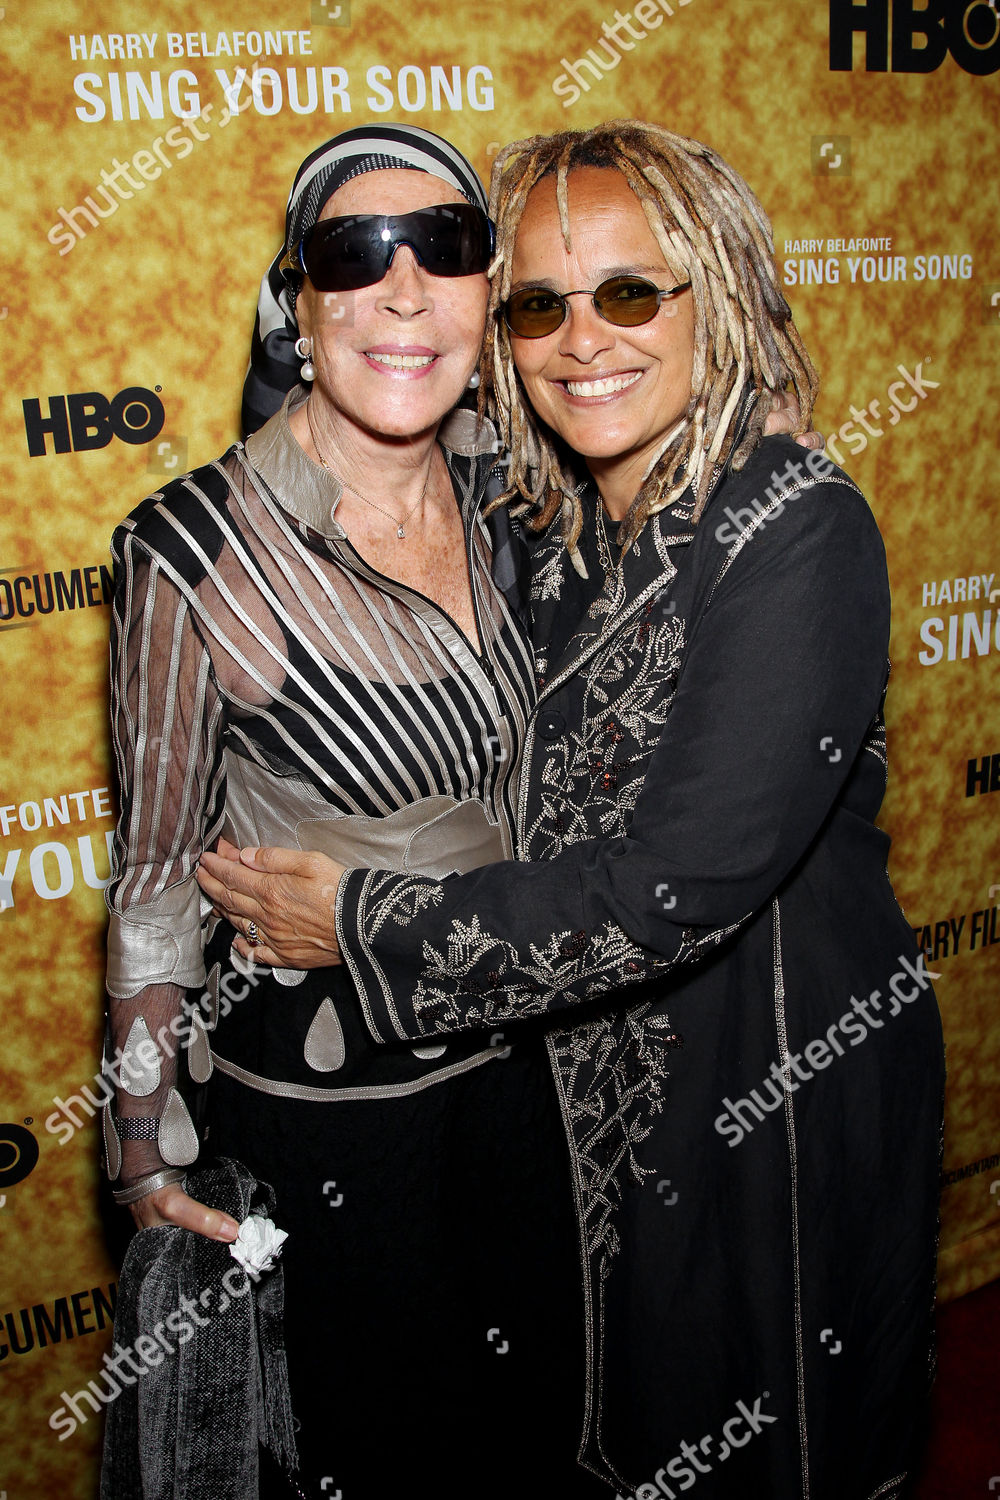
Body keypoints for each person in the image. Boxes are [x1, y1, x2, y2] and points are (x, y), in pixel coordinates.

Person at [198, 121, 945, 1500]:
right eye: (537, 305)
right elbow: (331, 446)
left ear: (717, 292)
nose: (582, 340)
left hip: (764, 1078)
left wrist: (362, 922)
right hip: (577, 1086)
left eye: (631, 292)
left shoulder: (797, 527)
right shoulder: (545, 520)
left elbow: (678, 886)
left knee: (754, 1431)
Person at [102, 123, 612, 1498]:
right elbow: (155, 878)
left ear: (488, 295)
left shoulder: (524, 500)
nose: (403, 289)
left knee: (535, 1433)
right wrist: (144, 1151)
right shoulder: (192, 549)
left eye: (444, 247)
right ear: (298, 299)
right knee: (371, 1450)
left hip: (527, 1069)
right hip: (330, 1111)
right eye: (355, 253)